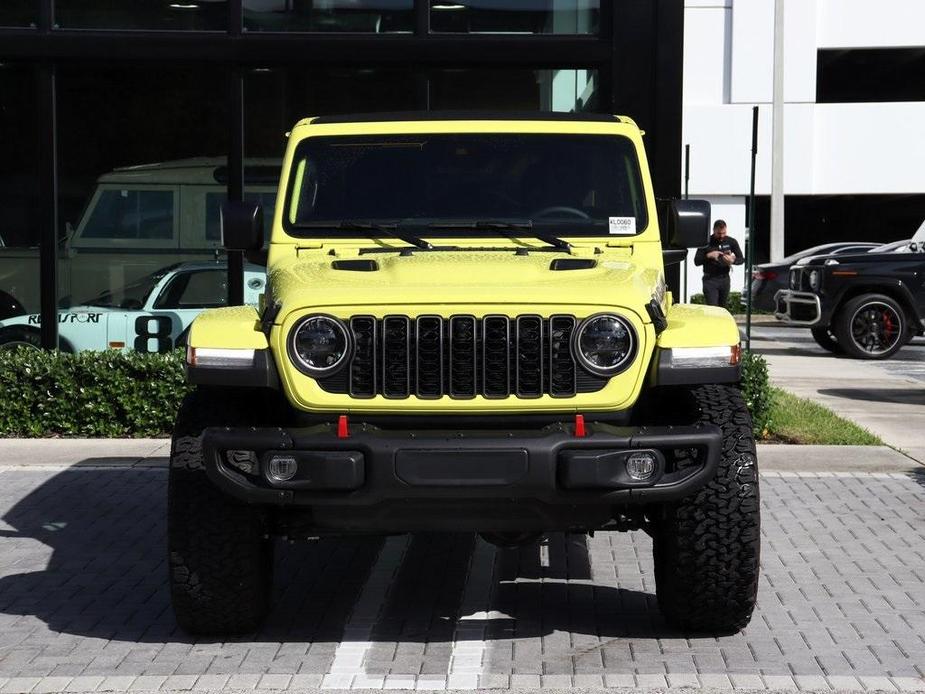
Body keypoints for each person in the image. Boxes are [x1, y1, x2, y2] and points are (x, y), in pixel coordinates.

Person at [694, 219, 744, 308]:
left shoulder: (731, 241)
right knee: (713, 308)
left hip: (724, 278)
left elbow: (741, 259)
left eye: (724, 233)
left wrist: (732, 261)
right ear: (713, 230)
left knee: (723, 308)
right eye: (719, 233)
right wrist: (708, 256)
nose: (721, 236)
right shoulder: (706, 242)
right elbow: (696, 261)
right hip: (710, 280)